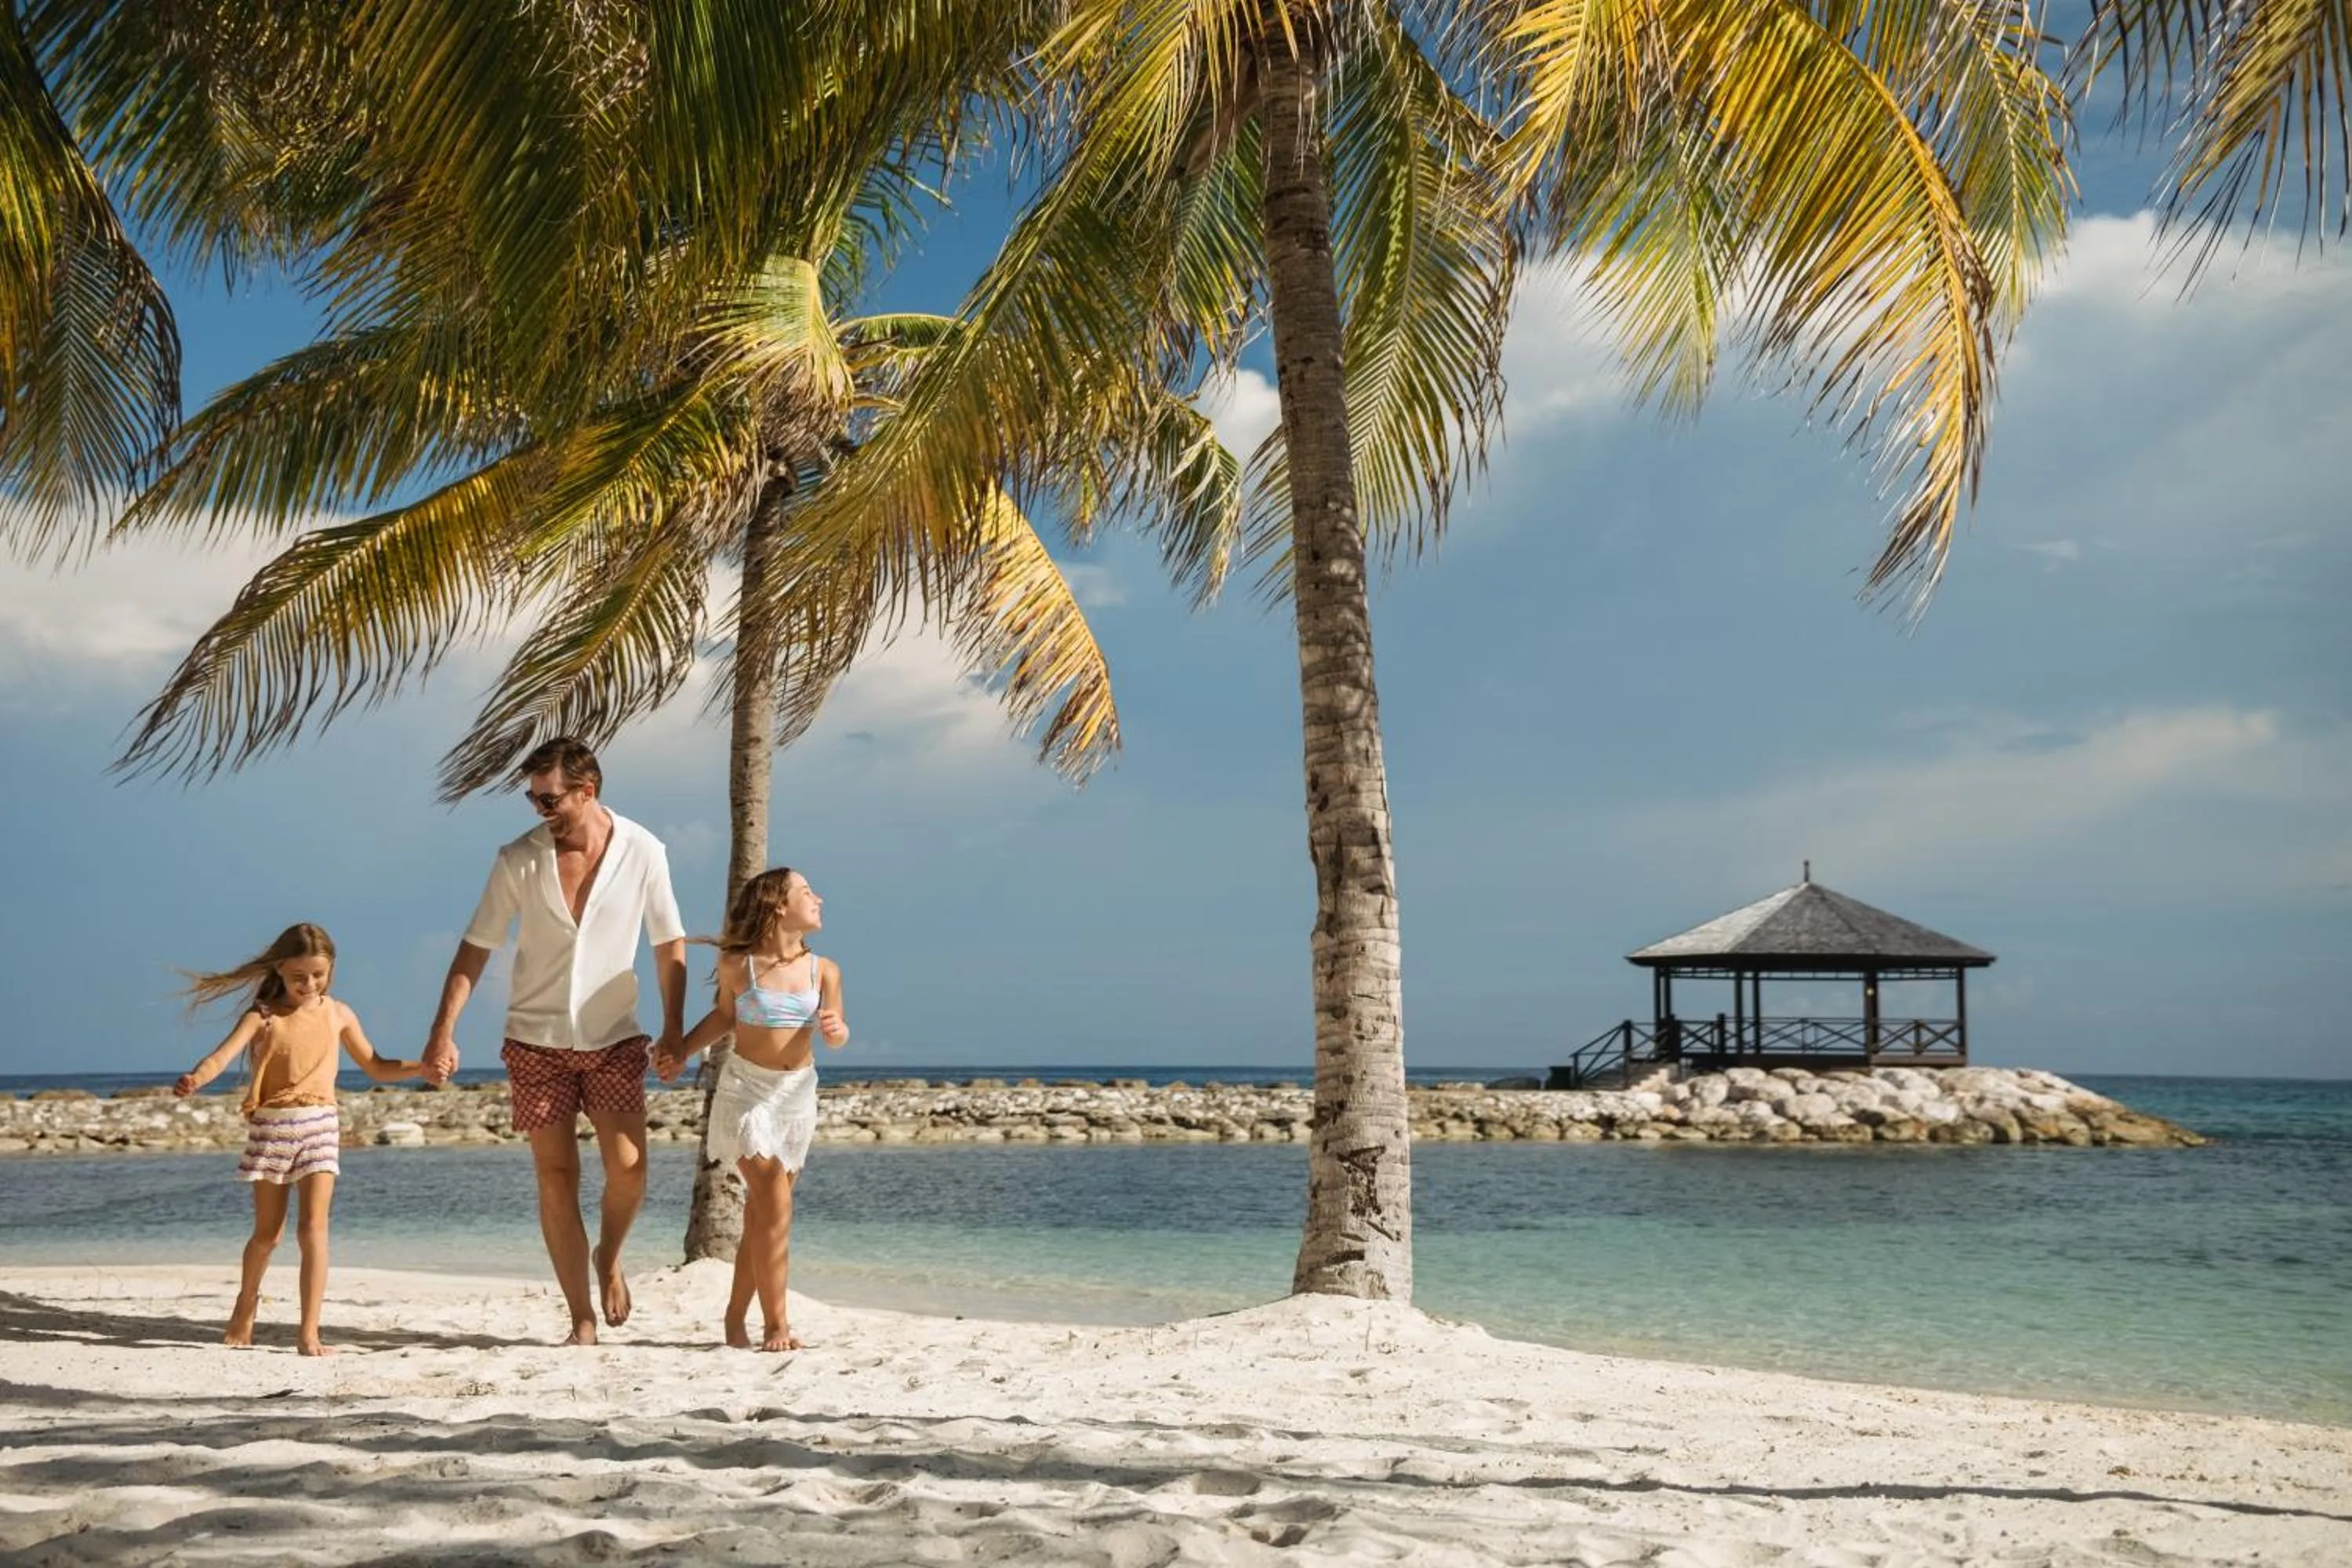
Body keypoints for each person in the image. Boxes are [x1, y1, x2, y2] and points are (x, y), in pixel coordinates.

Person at [422, 737, 687, 1346]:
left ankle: (609, 1256)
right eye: (532, 799)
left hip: (614, 1035)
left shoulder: (644, 850)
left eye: (548, 799)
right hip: (534, 1039)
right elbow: (477, 946)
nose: (538, 810)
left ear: (586, 791)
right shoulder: (520, 858)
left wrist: (674, 1029)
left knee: (629, 1171)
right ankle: (581, 1319)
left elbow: (668, 943)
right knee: (555, 1177)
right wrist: (443, 1030)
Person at [172, 923, 422, 1355]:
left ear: (331, 970)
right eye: (299, 977)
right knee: (268, 1234)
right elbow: (222, 1055)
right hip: (272, 1127)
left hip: (321, 1124)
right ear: (280, 972)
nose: (309, 985)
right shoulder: (263, 1016)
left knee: (313, 1231)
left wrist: (422, 1067)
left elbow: (378, 1067)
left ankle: (309, 1332)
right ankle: (246, 1302)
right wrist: (197, 1077)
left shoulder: (340, 1014)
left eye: (318, 975)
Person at [655, 867, 848, 1351]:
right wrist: (679, 1049)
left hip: (797, 1096)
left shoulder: (823, 970)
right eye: (807, 891)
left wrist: (834, 1030)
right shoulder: (737, 966)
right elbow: (725, 1015)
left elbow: (840, 1030)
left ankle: (734, 1317)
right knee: (776, 1205)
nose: (818, 897)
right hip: (746, 1093)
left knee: (765, 1216)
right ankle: (777, 1325)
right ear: (778, 905)